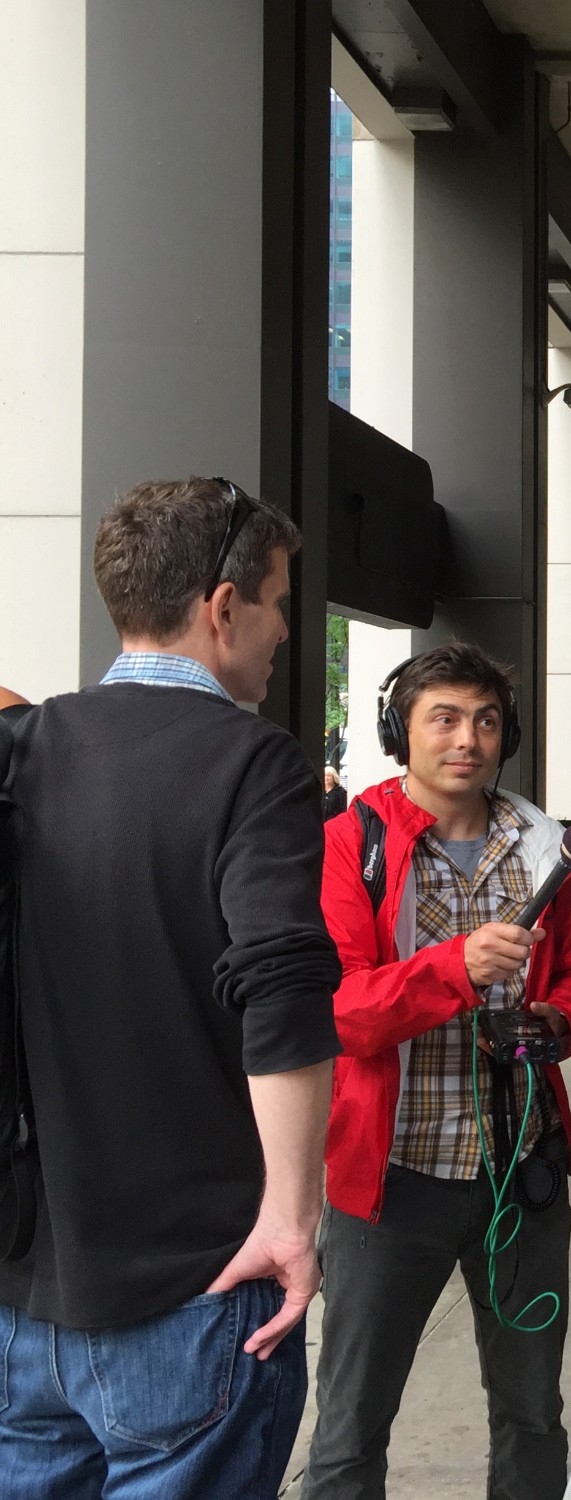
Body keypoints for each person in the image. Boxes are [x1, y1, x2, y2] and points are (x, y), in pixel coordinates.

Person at [0, 477, 342, 1496]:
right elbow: (279, 982)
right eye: (278, 601)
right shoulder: (254, 766)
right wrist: (291, 1215)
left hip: (26, 1292)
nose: (283, 629)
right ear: (222, 606)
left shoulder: (21, 752)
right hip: (199, 1287)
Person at [305, 641, 571, 1500]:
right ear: (402, 731)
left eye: (485, 719)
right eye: (444, 718)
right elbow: (339, 1010)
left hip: (522, 1170)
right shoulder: (349, 845)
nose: (467, 738)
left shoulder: (544, 844)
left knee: (531, 1413)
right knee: (351, 1425)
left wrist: (557, 1019)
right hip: (392, 1183)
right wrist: (455, 969)